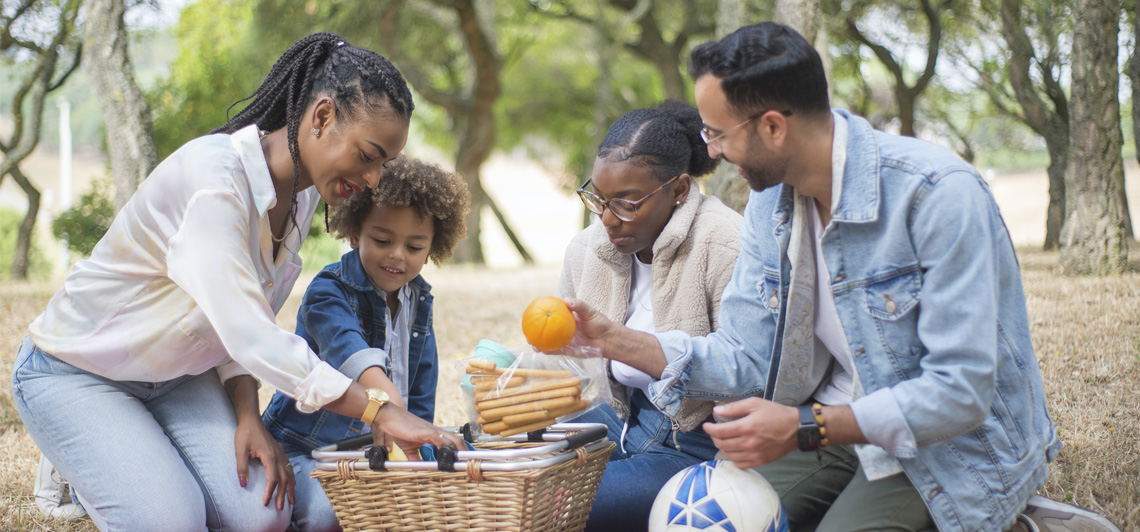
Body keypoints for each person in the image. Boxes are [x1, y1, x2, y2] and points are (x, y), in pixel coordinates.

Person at [560, 22, 1121, 532]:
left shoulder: (937, 194)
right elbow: (747, 358)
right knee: (692, 523)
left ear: (774, 127)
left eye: (717, 134)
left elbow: (962, 390)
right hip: (825, 432)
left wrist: (806, 427)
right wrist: (614, 339)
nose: (711, 150)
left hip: (941, 447)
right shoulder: (770, 206)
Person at [10, 32, 463, 532]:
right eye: (368, 155)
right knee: (172, 522)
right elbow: (251, 334)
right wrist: (377, 410)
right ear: (322, 116)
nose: (375, 178)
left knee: (263, 517)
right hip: (79, 370)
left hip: (177, 378)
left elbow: (238, 318)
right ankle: (84, 463)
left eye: (383, 164)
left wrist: (248, 413)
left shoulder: (302, 196)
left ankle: (135, 452)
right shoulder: (214, 184)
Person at [557, 99, 742, 532]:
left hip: (694, 443)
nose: (607, 219)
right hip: (618, 417)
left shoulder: (724, 243)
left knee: (555, 504)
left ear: (678, 190)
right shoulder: (588, 249)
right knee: (501, 468)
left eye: (626, 203)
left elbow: (746, 371)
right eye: (598, 199)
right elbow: (566, 363)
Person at [262, 155, 469, 532]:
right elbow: (352, 356)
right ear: (355, 232)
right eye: (382, 239)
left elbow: (422, 387)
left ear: (432, 248)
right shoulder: (328, 291)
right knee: (337, 514)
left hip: (369, 452)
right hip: (305, 447)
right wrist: (395, 411)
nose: (397, 255)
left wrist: (422, 444)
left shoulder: (419, 301)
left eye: (414, 246)